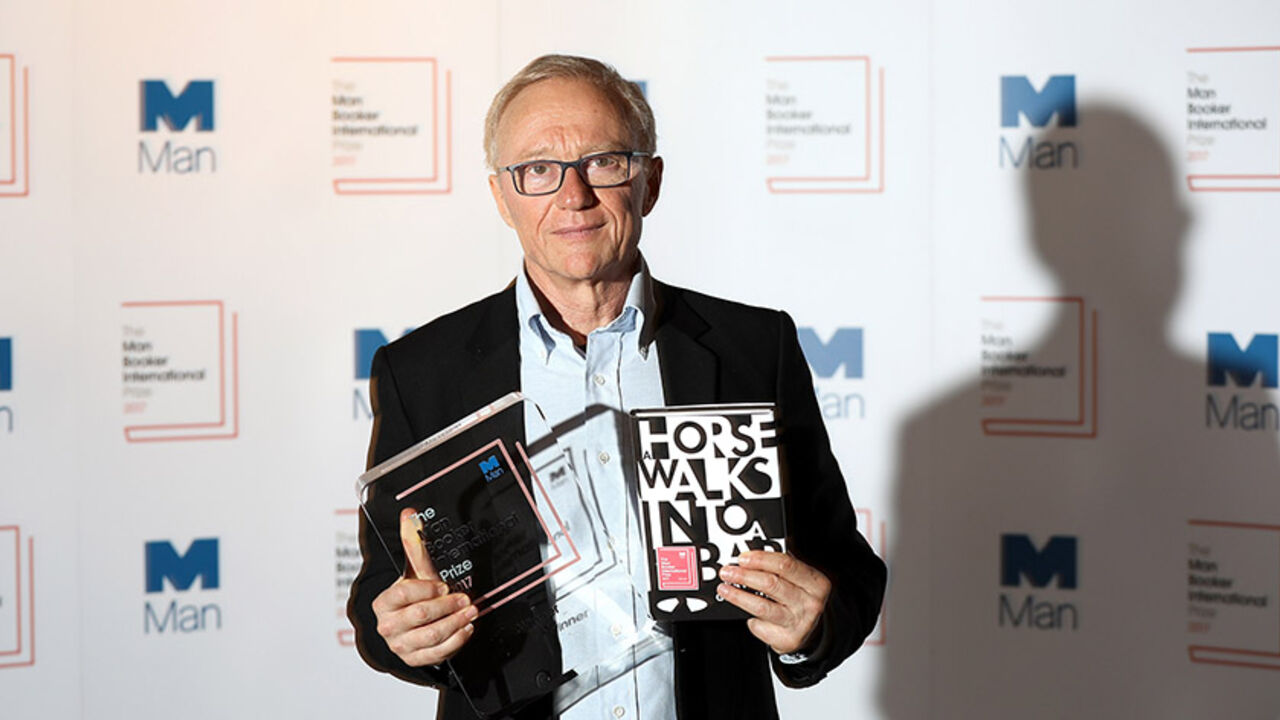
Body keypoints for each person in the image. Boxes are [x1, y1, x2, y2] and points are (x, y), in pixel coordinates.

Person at [348, 54, 886, 720]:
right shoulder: (423, 371)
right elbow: (384, 592)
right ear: (501, 197)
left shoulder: (752, 348)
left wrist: (812, 628)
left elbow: (847, 569)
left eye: (603, 162)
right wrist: (405, 634)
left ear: (649, 181)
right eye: (537, 170)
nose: (573, 198)